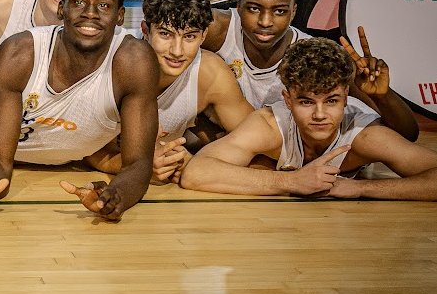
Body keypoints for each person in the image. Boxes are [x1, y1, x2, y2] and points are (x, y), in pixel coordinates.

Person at [0, 0, 161, 221]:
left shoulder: (134, 61)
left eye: (103, 5)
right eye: (78, 3)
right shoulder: (20, 53)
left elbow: (138, 163)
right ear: (61, 8)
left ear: (119, 16)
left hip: (51, 162)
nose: (90, 14)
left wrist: (116, 197)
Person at [180, 37, 437, 200]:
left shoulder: (364, 134)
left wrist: (361, 189)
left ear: (346, 97)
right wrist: (292, 181)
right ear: (288, 100)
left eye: (331, 101)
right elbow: (196, 173)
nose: (320, 114)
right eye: (306, 102)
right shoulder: (271, 124)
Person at [202, 0, 417, 140]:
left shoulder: (316, 55)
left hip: (284, 148)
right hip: (230, 137)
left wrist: (383, 96)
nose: (265, 21)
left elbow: (408, 134)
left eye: (279, 11)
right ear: (238, 5)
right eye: (254, 8)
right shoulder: (216, 29)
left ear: (293, 12)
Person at [83, 0, 254, 184]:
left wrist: (199, 162)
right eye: (165, 34)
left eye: (189, 36)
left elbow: (257, 138)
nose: (177, 51)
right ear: (145, 30)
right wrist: (139, 166)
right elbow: (85, 146)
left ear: (204, 36)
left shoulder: (210, 73)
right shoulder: (113, 62)